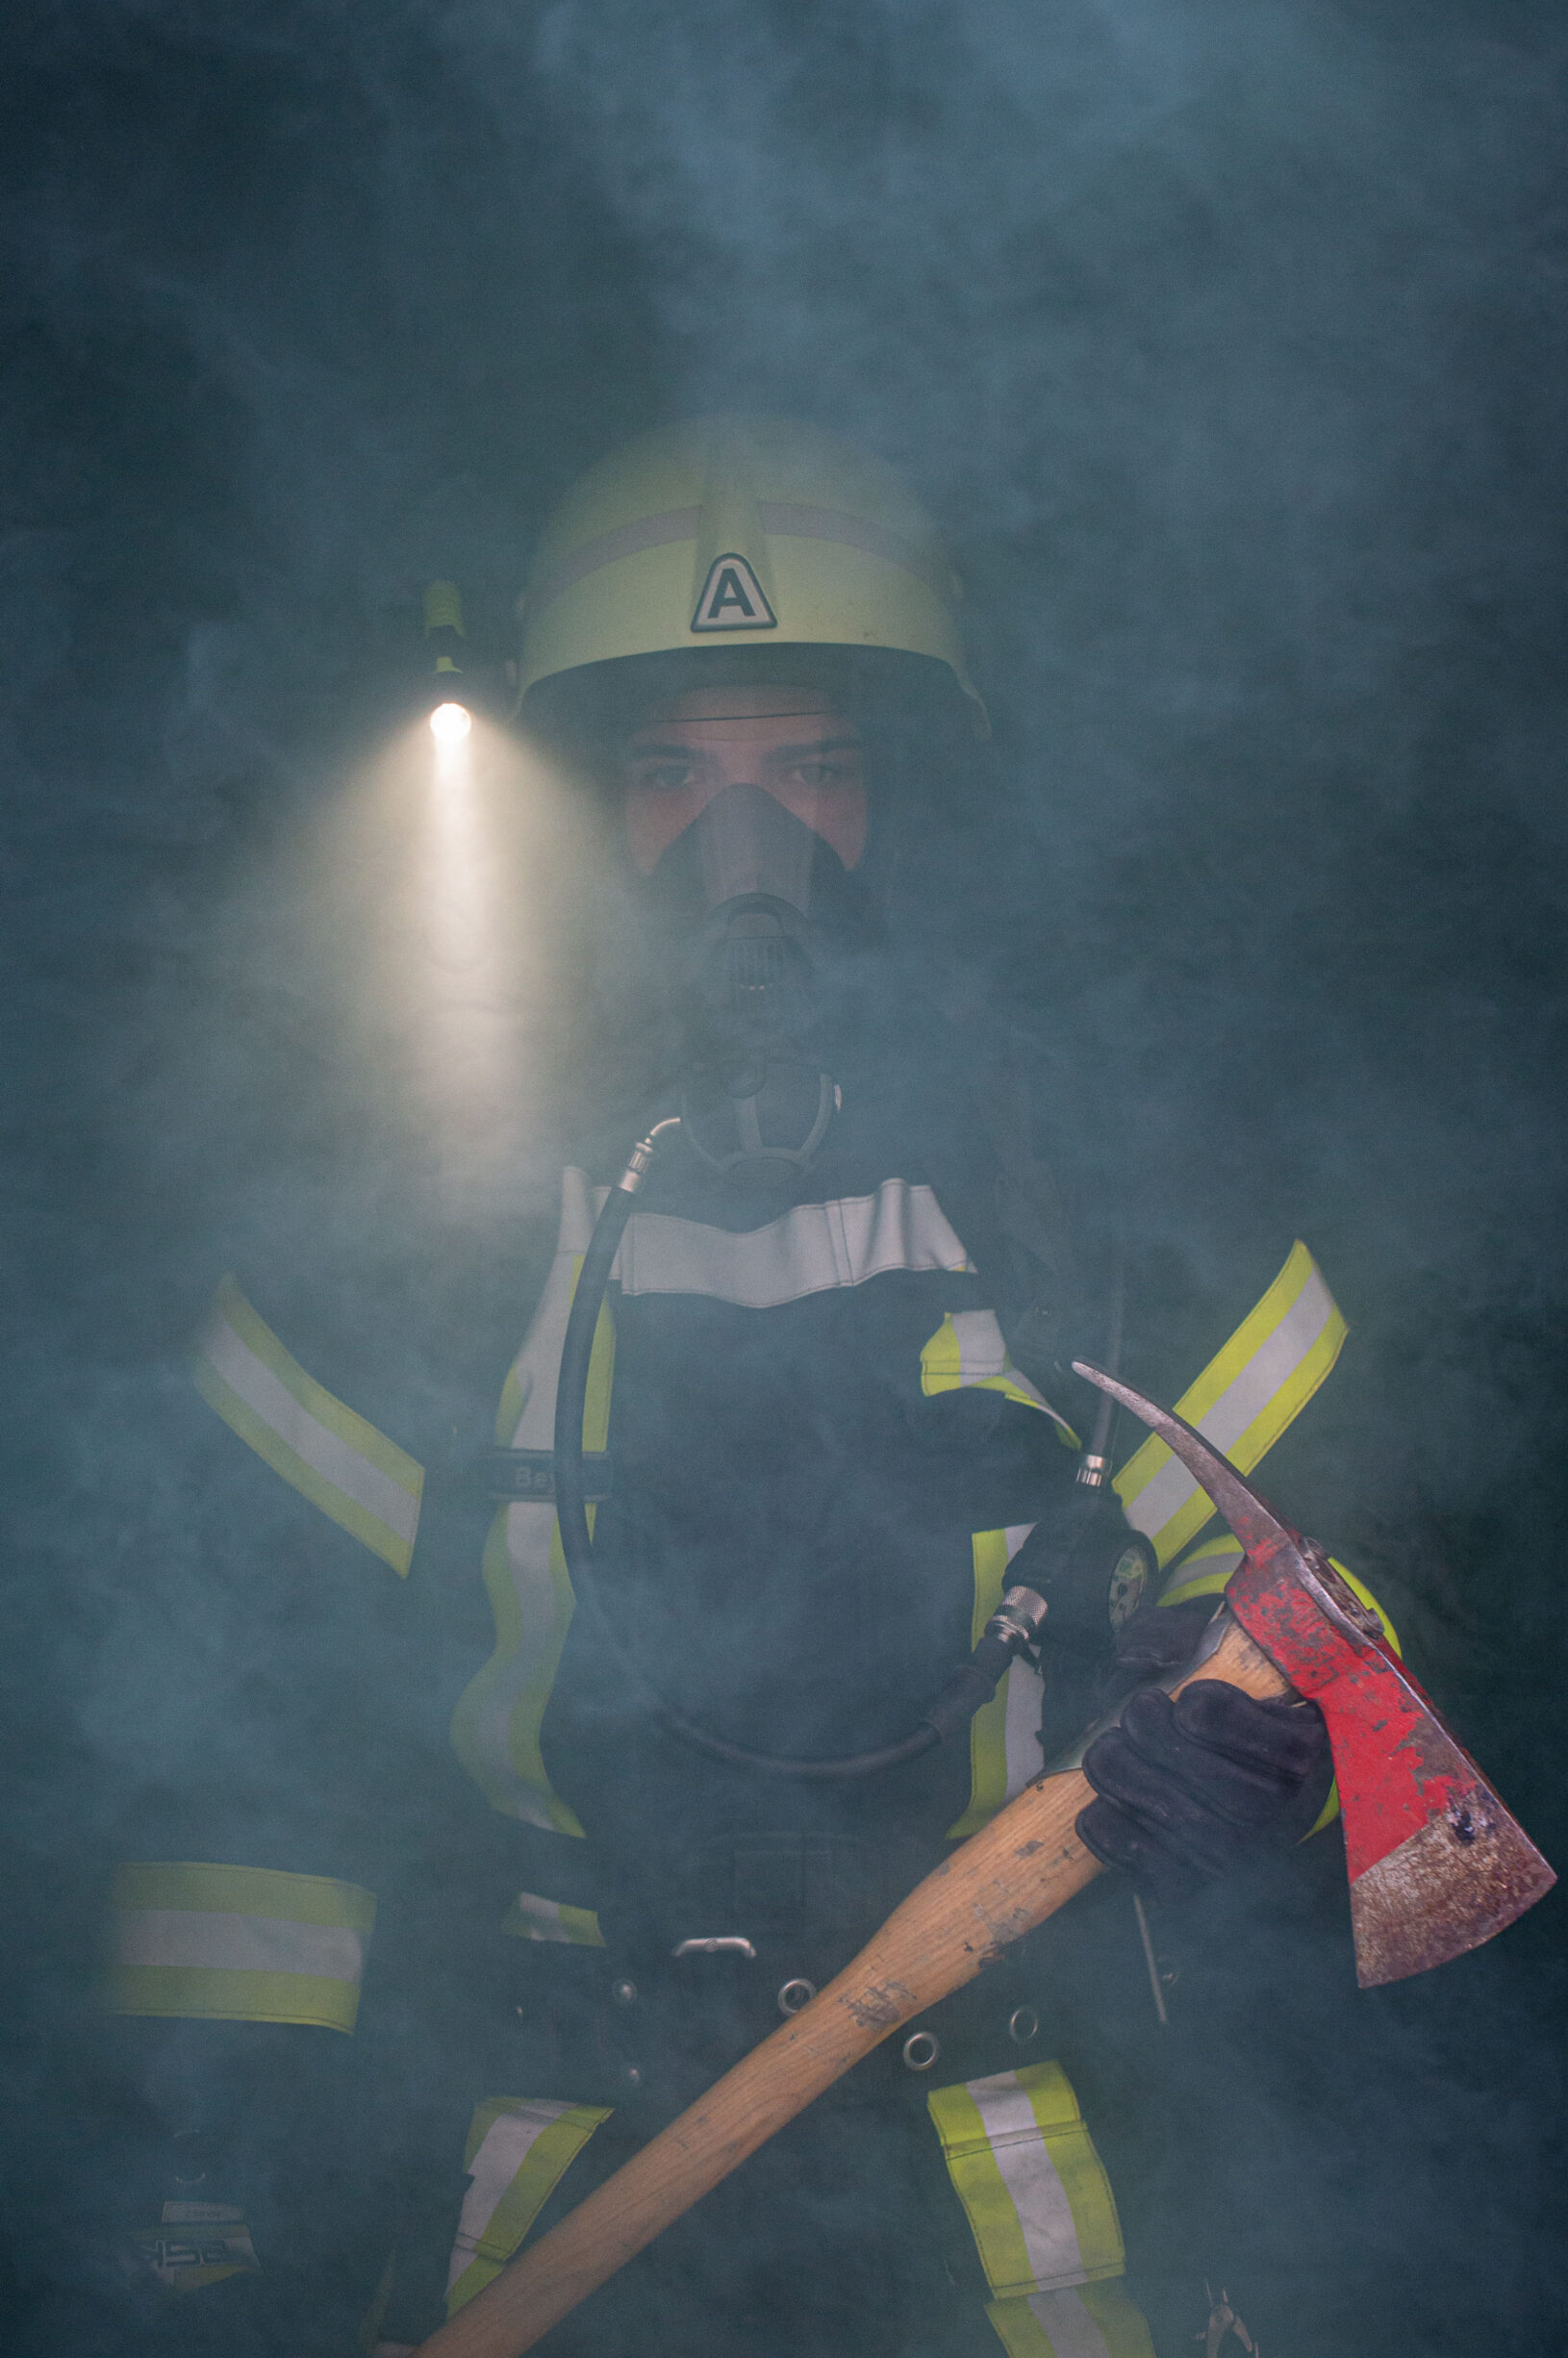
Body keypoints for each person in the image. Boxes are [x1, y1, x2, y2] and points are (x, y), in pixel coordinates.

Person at [102, 418, 1363, 2358]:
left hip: (1021, 2175)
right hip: (536, 2175)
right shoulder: (387, 1233)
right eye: (669, 774)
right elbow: (250, 1796)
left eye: (813, 767)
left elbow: (1363, 1614)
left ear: (915, 794)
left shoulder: (1108, 1194)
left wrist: (1257, 1735)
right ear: (562, 803)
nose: (744, 850)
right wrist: (212, 2223)